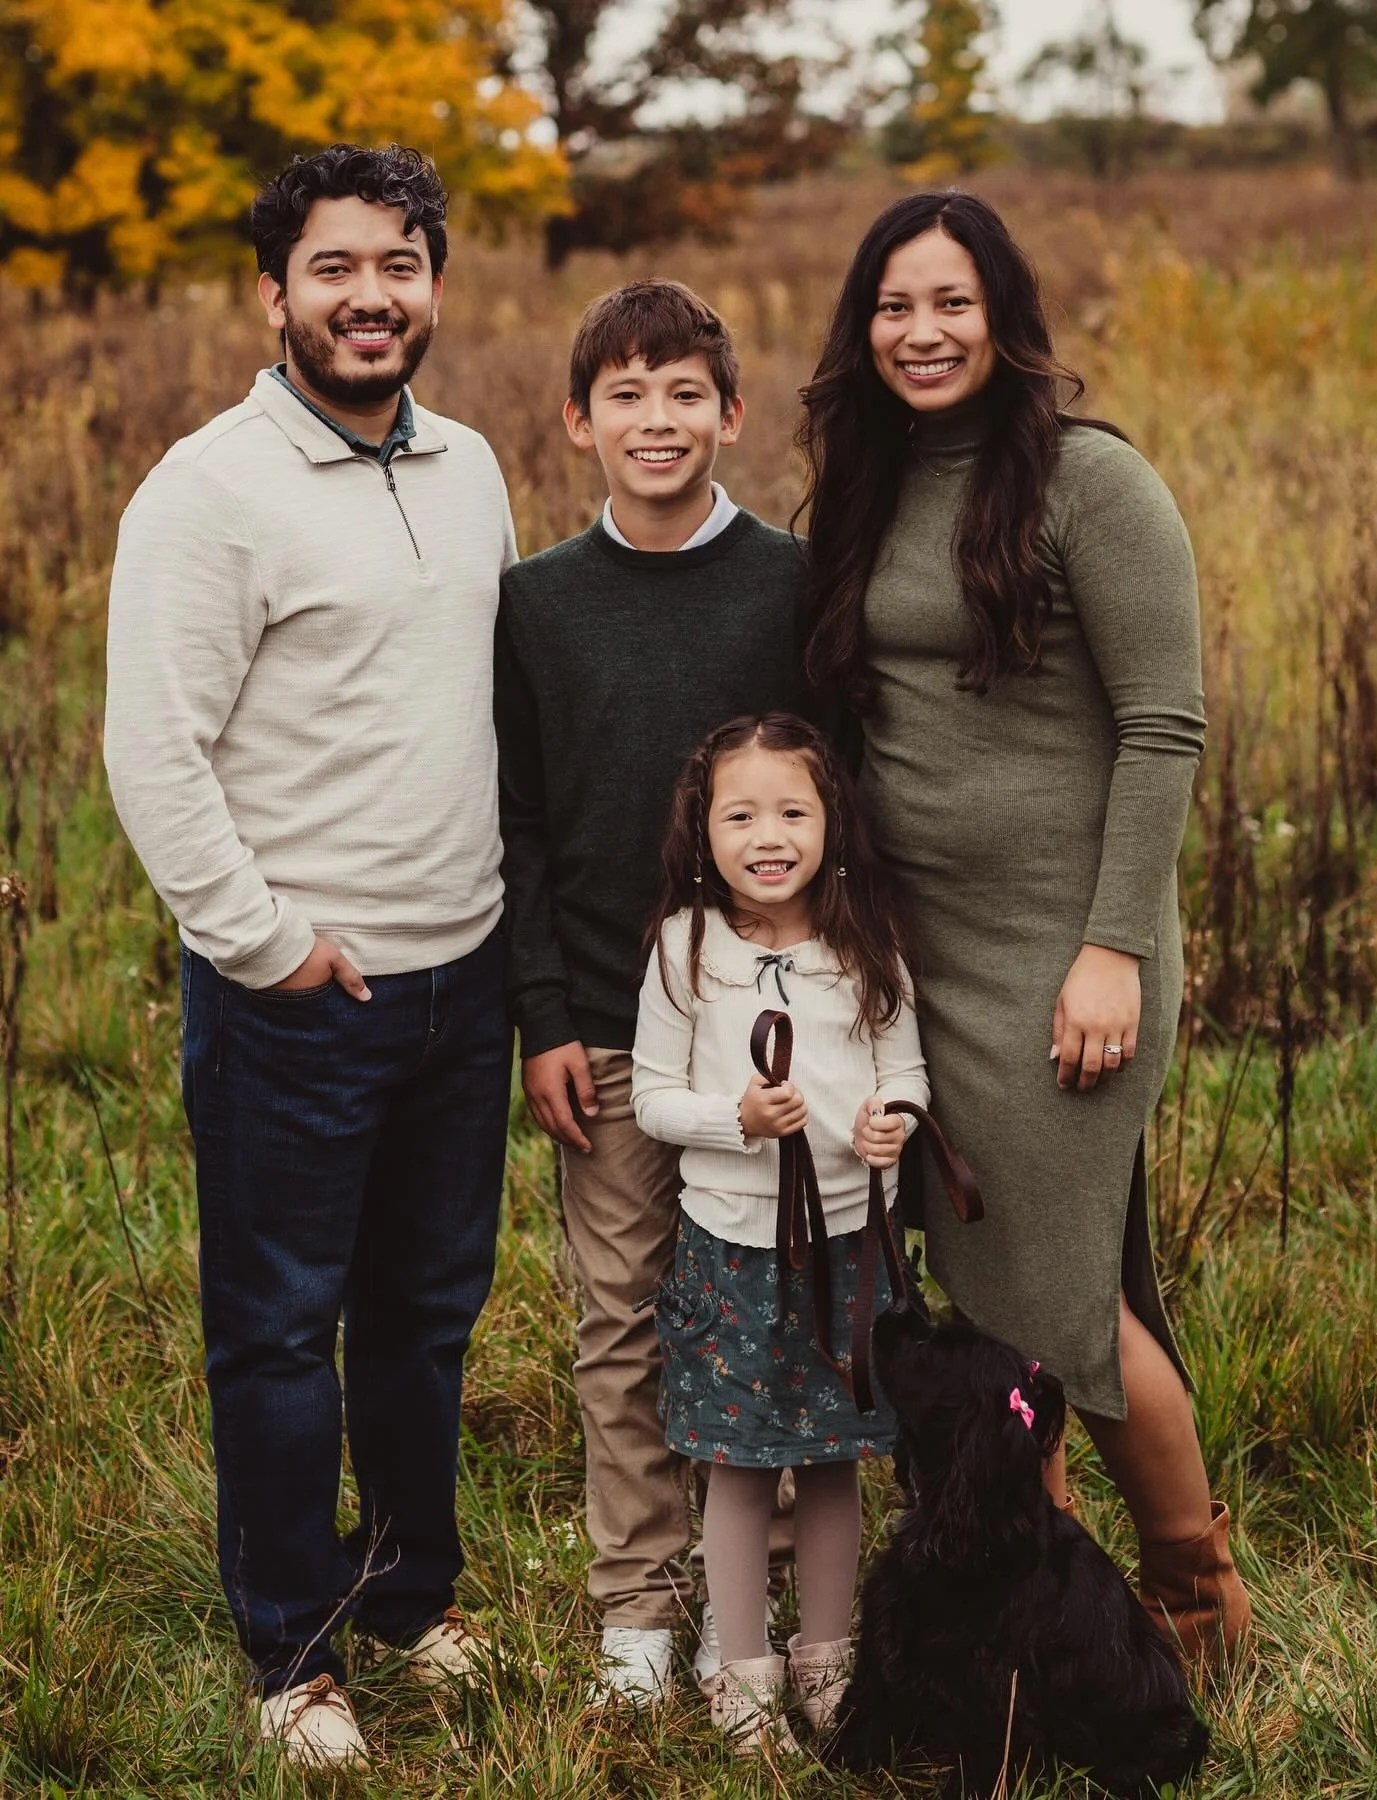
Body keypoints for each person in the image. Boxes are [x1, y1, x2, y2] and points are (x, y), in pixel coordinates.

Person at [797, 189, 1252, 1665]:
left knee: (1047, 1311)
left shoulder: (1089, 482)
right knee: (1017, 1304)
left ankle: (1189, 1605)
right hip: (917, 964)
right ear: (863, 329)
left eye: (951, 303)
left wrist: (1113, 944)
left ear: (1004, 316)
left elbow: (1166, 728)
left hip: (1068, 961)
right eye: (893, 307)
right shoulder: (871, 473)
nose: (921, 333)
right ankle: (1037, 1627)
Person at [104, 145, 515, 1770]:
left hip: (464, 982)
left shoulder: (475, 465)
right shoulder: (209, 493)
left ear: (431, 285)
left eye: (399, 265)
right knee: (278, 1328)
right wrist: (267, 947)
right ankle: (295, 1650)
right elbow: (155, 754)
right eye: (335, 267)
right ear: (272, 292)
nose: (370, 296)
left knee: (423, 1320)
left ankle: (412, 1596)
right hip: (299, 1003)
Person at [494, 281, 804, 1705]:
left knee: (767, 1308)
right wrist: (546, 1016)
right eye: (625, 393)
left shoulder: (794, 589)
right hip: (614, 1036)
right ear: (578, 422)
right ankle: (639, 1608)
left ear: (731, 414)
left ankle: (783, 1586)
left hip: (774, 1037)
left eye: (685, 392)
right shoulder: (537, 605)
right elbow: (524, 828)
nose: (657, 419)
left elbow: (834, 805)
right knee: (621, 1316)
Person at [631, 713, 929, 1754]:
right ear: (702, 830)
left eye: (794, 811)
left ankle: (829, 1659)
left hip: (848, 1249)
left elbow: (906, 1071)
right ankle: (745, 1675)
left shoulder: (865, 941)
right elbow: (653, 1099)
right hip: (734, 1248)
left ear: (832, 821)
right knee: (742, 1462)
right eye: (742, 813)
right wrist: (736, 1121)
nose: (770, 835)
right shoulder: (685, 949)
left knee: (840, 1457)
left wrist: (893, 1125)